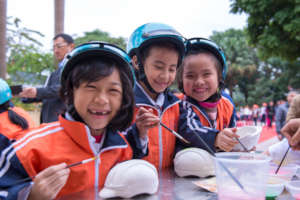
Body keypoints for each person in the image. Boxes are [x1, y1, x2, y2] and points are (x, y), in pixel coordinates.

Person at [0, 41, 147, 200]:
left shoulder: (124, 146)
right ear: (70, 91)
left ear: (123, 98)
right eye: (91, 87)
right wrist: (29, 195)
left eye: (113, 90)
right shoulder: (28, 150)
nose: (101, 99)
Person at [124, 22, 186, 170]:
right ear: (137, 62)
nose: (165, 76)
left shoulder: (176, 105)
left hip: (167, 187)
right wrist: (138, 133)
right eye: (158, 67)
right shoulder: (123, 104)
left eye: (172, 69)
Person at [176, 38, 239, 153]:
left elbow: (234, 132)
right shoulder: (182, 104)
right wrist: (216, 138)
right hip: (193, 162)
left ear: (219, 77)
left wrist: (239, 147)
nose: (199, 81)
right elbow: (190, 129)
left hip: (220, 163)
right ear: (181, 80)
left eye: (206, 74)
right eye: (190, 76)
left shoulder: (227, 104)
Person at [20, 33, 75, 123]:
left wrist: (37, 91)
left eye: (59, 46)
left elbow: (63, 89)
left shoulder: (74, 67)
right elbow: (47, 93)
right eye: (54, 47)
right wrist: (27, 95)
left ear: (71, 46)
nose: (56, 51)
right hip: (49, 121)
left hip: (62, 121)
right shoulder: (55, 72)